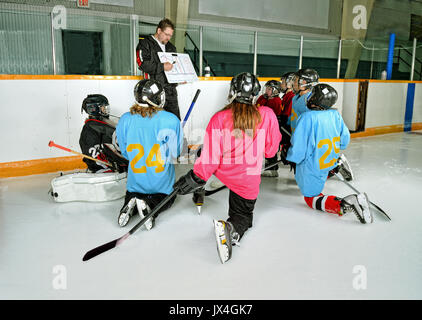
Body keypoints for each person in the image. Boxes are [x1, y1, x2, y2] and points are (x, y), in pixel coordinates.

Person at [174, 72, 282, 264]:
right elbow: (270, 151)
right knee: (242, 217)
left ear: (232, 91)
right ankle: (231, 229)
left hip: (222, 172)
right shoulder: (267, 114)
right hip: (247, 180)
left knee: (201, 152)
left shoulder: (220, 117)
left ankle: (200, 191)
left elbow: (210, 157)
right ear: (256, 94)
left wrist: (195, 178)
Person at [286, 84, 371, 224]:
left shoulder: (307, 117)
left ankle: (345, 204)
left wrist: (291, 157)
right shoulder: (335, 114)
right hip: (328, 161)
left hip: (311, 165)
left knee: (311, 197)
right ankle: (338, 165)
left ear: (314, 99)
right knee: (318, 181)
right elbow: (344, 140)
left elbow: (299, 149)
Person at [115, 79, 183, 228]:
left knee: (133, 194)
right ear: (157, 98)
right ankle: (150, 206)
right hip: (161, 185)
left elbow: (125, 152)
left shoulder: (125, 119)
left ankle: (129, 203)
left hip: (135, 183)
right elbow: (175, 153)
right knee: (167, 199)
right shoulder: (170, 120)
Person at [136, 18, 180, 120]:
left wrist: (179, 78)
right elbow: (142, 64)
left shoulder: (171, 48)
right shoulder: (145, 44)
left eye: (170, 35)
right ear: (159, 31)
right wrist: (162, 66)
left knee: (174, 121)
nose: (168, 38)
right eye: (166, 34)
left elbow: (175, 66)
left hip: (170, 92)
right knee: (154, 122)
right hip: (153, 93)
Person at [79, 94, 128, 173]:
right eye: (103, 107)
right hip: (104, 170)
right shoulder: (89, 129)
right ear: (94, 109)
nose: (105, 110)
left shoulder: (101, 123)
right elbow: (92, 155)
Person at [256, 80, 282, 177]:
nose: (267, 90)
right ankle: (267, 163)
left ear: (276, 90)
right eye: (267, 88)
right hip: (260, 126)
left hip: (271, 127)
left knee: (272, 144)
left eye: (269, 89)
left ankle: (273, 169)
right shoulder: (262, 98)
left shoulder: (277, 101)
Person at [289, 68, 319, 134]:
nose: (293, 83)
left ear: (304, 82)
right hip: (295, 135)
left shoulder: (310, 101)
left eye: (295, 80)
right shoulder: (295, 97)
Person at [278, 72, 296, 163]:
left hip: (290, 128)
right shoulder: (286, 96)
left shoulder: (292, 96)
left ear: (290, 83)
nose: (281, 84)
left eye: (283, 82)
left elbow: (287, 116)